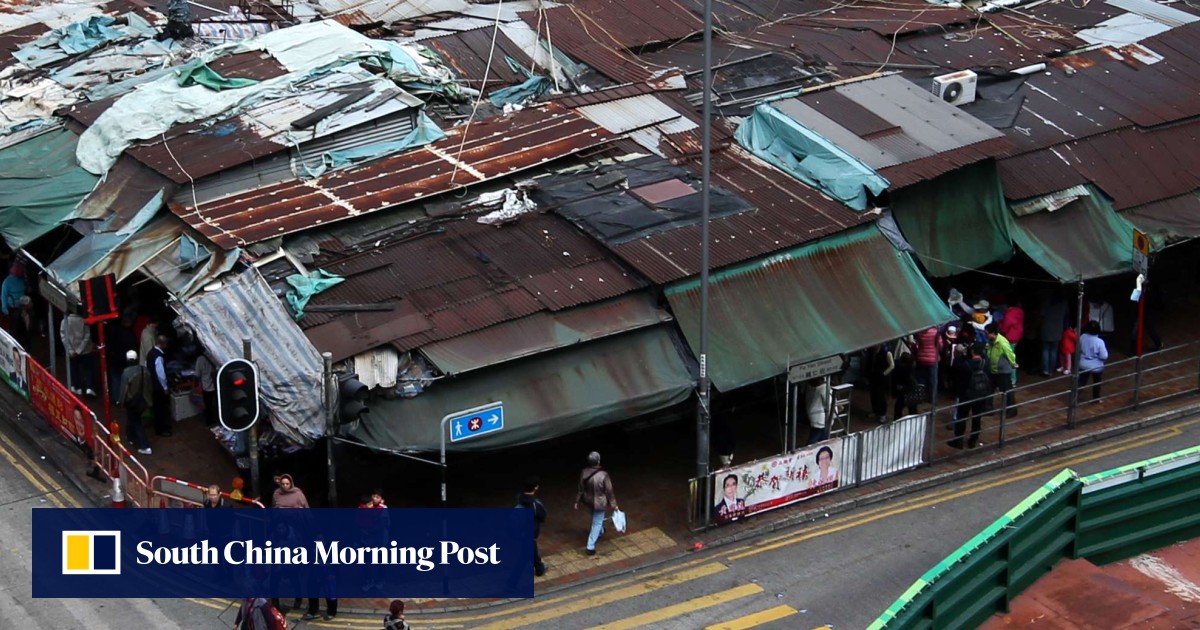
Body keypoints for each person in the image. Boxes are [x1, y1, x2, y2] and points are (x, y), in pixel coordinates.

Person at [574, 451, 617, 556]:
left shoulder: (584, 472)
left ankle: (601, 531)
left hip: (587, 500)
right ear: (598, 461)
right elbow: (609, 490)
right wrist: (614, 504)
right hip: (600, 502)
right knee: (596, 523)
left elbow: (580, 488)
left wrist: (577, 501)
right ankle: (590, 546)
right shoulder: (604, 475)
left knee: (596, 518)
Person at [951, 344, 991, 449]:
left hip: (966, 395)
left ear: (972, 352)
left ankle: (958, 441)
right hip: (980, 394)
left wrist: (962, 355)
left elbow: (955, 368)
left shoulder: (965, 365)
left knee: (961, 417)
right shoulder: (985, 363)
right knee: (977, 417)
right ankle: (973, 440)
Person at [116, 350, 152, 455]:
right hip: (145, 400)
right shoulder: (144, 370)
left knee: (136, 421)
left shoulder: (126, 373)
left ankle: (144, 446)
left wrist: (121, 402)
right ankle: (130, 437)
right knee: (133, 418)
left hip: (132, 402)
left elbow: (123, 390)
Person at [515, 475, 548, 576]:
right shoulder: (536, 504)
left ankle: (539, 567)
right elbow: (543, 516)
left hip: (520, 533)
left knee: (531, 551)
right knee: (523, 559)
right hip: (530, 533)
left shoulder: (519, 500)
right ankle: (511, 584)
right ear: (536, 487)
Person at [61, 306, 96, 397]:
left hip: (72, 352)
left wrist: (71, 350)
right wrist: (79, 350)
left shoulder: (65, 321)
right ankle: (89, 388)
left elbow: (64, 337)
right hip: (86, 350)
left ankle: (77, 387)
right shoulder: (84, 320)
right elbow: (87, 337)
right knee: (88, 369)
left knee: (74, 368)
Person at [985, 324, 1018, 414]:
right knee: (989, 389)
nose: (985, 335)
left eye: (987, 333)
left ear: (993, 333)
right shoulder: (991, 341)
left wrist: (1013, 363)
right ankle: (988, 408)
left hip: (1002, 371)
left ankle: (1011, 410)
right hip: (993, 369)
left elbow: (1010, 354)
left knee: (1006, 391)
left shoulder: (1002, 342)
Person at [146, 334, 172, 437]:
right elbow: (161, 374)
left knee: (157, 407)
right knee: (161, 408)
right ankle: (161, 429)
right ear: (163, 344)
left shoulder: (151, 353)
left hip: (152, 385)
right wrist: (165, 387)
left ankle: (159, 427)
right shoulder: (159, 357)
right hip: (158, 387)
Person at [1078, 321, 1109, 401]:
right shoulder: (1099, 342)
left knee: (1081, 382)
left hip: (1083, 364)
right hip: (1096, 366)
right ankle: (1096, 398)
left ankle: (1074, 398)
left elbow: (1079, 348)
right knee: (1097, 382)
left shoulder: (1082, 337)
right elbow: (1104, 356)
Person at [1040, 293, 1068, 376]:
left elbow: (1042, 314)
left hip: (1046, 328)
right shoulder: (1064, 303)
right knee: (1054, 351)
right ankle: (1051, 371)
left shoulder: (1046, 302)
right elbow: (1066, 316)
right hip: (1058, 329)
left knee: (1045, 350)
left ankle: (1045, 370)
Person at [999, 297, 1024, 386]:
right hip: (1017, 337)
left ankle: (1012, 379)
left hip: (1010, 338)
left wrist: (1000, 324)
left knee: (1009, 358)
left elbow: (1004, 328)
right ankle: (1012, 378)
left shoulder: (1009, 314)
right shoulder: (1019, 311)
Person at [867, 343, 893, 423]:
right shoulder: (871, 351)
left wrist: (884, 373)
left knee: (881, 396)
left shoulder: (886, 352)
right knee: (873, 394)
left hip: (882, 378)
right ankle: (875, 411)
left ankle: (882, 414)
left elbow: (892, 365)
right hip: (873, 376)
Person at [805, 378, 831, 445]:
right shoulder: (820, 388)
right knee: (818, 440)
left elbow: (829, 404)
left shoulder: (811, 386)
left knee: (814, 438)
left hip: (817, 418)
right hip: (818, 419)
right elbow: (829, 403)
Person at [195, 351, 218, 426]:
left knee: (208, 406)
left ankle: (209, 422)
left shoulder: (200, 359)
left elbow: (197, 374)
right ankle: (219, 420)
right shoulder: (216, 356)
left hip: (206, 387)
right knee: (218, 405)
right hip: (216, 385)